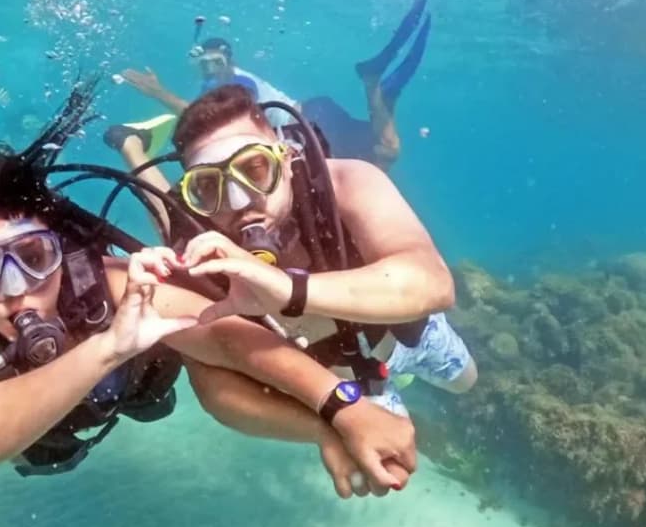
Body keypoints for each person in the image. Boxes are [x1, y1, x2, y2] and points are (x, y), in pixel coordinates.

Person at [0, 90, 419, 498]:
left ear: (60, 251)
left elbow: (226, 337)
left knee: (181, 265)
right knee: (173, 226)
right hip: (64, 423)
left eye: (33, 257)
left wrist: (343, 409)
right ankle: (131, 151)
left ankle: (131, 148)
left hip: (137, 388)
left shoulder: (108, 282)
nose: (15, 289)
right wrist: (109, 347)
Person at [103, 83, 477, 435]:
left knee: (466, 383)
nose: (239, 202)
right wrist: (327, 429)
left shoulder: (345, 182)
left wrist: (289, 290)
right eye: (207, 185)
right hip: (343, 385)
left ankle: (138, 148)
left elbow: (434, 283)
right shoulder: (201, 240)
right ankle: (132, 145)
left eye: (253, 169)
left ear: (286, 156)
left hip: (413, 336)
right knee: (169, 216)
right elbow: (216, 392)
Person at [120, 0, 431, 171]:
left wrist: (158, 92)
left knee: (382, 156)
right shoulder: (216, 86)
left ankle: (374, 85)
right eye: (205, 64)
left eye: (217, 63)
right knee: (386, 150)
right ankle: (373, 84)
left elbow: (206, 117)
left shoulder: (239, 82)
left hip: (311, 125)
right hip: (316, 116)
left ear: (229, 62)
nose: (211, 70)